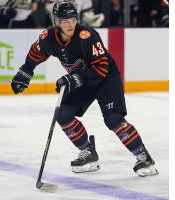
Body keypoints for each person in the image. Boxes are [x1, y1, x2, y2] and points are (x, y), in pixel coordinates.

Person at [11, 0, 159, 176]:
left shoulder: (87, 35)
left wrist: (73, 78)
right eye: (65, 21)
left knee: (113, 119)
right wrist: (25, 72)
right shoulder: (48, 37)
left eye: (73, 19)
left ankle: (143, 157)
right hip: (82, 81)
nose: (70, 24)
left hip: (105, 79)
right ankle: (88, 152)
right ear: (56, 22)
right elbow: (36, 53)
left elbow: (101, 68)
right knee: (63, 114)